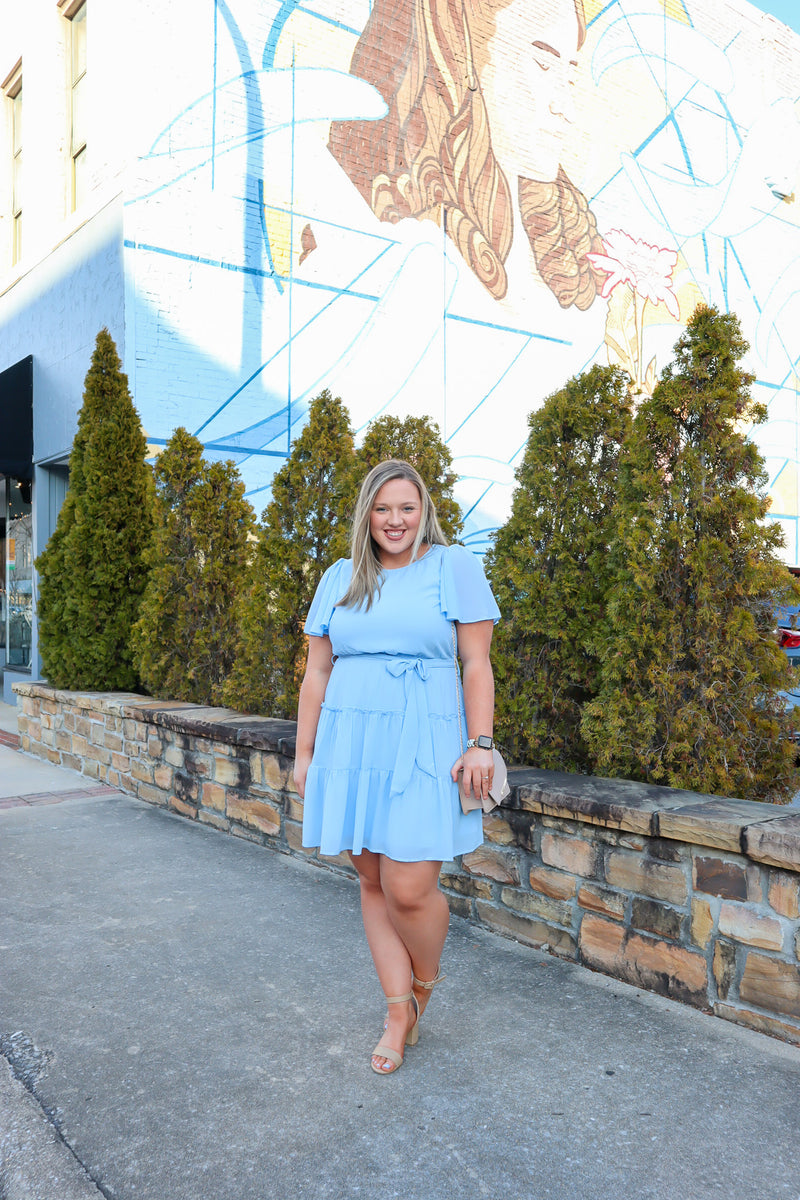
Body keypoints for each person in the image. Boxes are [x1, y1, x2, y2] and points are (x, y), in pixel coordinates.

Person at [294, 459, 500, 1074]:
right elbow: (316, 673)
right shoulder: (340, 576)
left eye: (406, 508)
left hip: (424, 746)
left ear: (423, 510)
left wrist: (481, 743)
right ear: (367, 514)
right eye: (382, 509)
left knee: (410, 888)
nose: (394, 520)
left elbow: (476, 664)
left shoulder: (453, 567)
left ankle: (423, 986)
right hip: (351, 746)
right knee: (372, 882)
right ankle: (394, 1009)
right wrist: (305, 755)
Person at [329, 0, 602, 309]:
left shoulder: (560, 247)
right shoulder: (406, 249)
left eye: (569, 77)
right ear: (461, 53)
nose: (566, 108)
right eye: (543, 64)